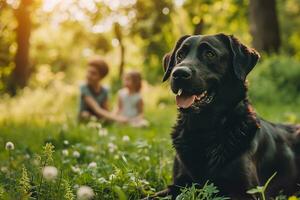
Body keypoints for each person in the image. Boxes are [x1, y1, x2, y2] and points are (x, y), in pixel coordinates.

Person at [79, 56, 126, 123]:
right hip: (87, 117)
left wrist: (114, 116)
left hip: (99, 117)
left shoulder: (104, 90)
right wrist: (117, 118)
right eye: (88, 72)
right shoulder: (84, 87)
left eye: (93, 73)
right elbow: (96, 109)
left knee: (110, 117)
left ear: (101, 77)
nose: (89, 75)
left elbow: (106, 109)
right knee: (85, 115)